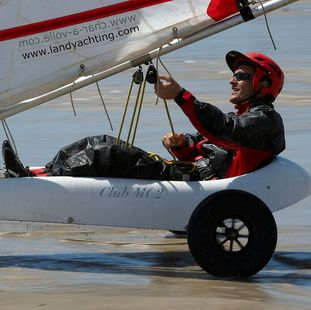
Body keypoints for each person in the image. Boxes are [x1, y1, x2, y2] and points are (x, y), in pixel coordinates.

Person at [3, 50, 285, 181]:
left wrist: (180, 95)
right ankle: (31, 173)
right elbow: (207, 145)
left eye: (241, 75)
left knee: (109, 152)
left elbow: (223, 130)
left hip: (193, 183)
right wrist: (182, 146)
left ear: (263, 84)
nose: (232, 80)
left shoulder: (266, 122)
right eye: (233, 75)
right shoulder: (243, 117)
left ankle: (31, 180)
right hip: (190, 175)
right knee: (94, 142)